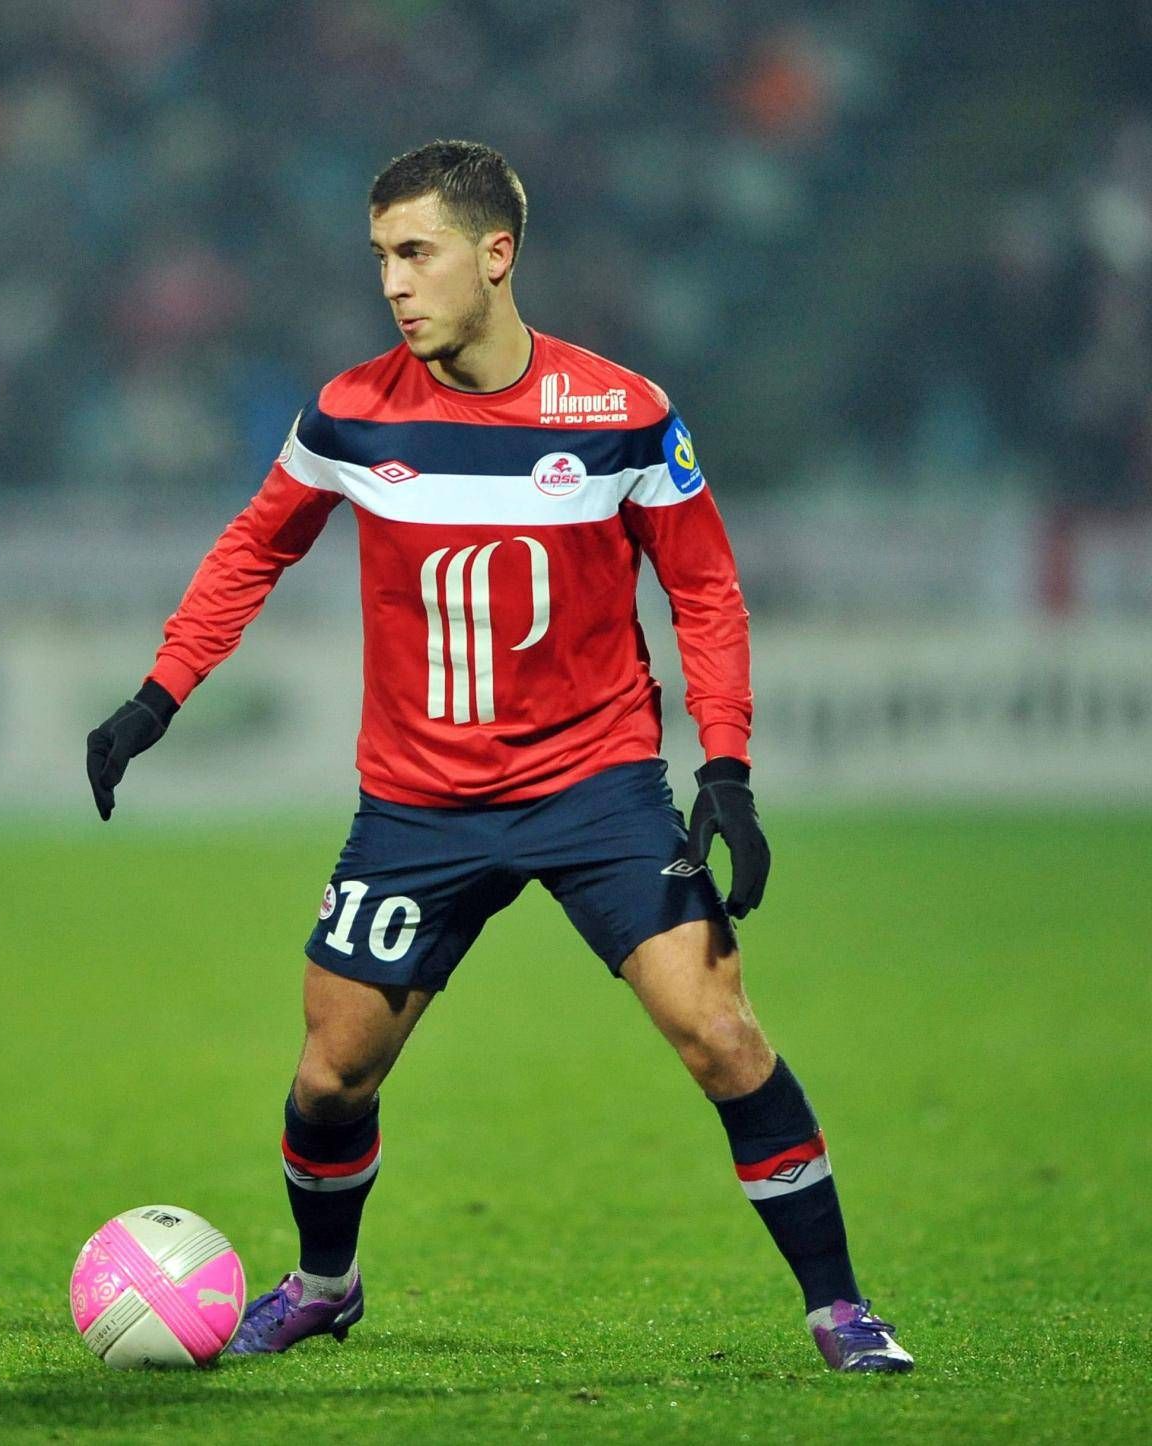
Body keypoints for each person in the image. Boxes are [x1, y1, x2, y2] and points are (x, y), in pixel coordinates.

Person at [86, 139, 912, 1374]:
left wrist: (725, 770)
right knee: (330, 1079)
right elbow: (254, 547)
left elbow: (704, 591)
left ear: (495, 254)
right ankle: (324, 1284)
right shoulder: (350, 412)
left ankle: (838, 1310)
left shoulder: (621, 414)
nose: (392, 283)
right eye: (380, 257)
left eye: (414, 253)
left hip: (597, 790)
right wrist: (159, 696)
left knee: (719, 1032)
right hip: (417, 806)